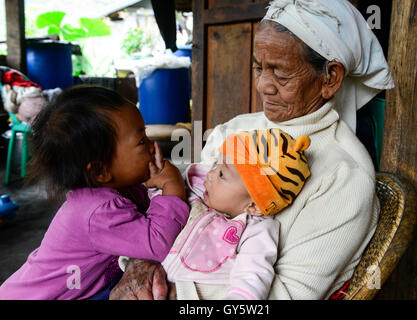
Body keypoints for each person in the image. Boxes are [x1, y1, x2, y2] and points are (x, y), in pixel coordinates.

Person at [111, 0, 395, 300]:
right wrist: (142, 260)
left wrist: (171, 294)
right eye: (259, 68)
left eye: (281, 74)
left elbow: (285, 295)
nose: (262, 85)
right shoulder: (236, 130)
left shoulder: (345, 177)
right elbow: (176, 207)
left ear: (330, 77)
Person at [0, 85, 189, 300]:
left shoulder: (118, 189)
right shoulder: (99, 211)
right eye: (141, 140)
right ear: (100, 170)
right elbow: (157, 244)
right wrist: (172, 187)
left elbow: (147, 210)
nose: (152, 146)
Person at [119, 128, 311, 300]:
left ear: (253, 205)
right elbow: (156, 208)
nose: (210, 174)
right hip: (143, 280)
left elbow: (252, 273)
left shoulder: (256, 230)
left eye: (222, 174)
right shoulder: (193, 186)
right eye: (216, 164)